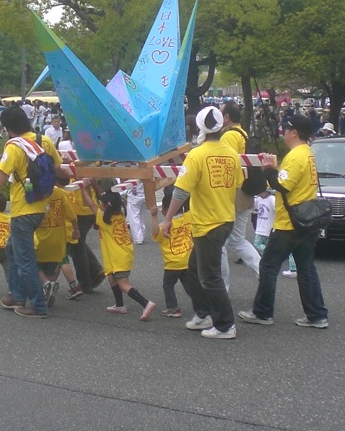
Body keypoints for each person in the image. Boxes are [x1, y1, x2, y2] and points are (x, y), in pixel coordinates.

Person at [0, 104, 63, 318]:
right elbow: (58, 168)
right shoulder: (44, 140)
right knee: (11, 248)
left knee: (25, 259)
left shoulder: (14, 147)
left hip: (23, 210)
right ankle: (17, 294)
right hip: (41, 207)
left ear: (9, 127)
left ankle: (37, 305)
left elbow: (1, 179)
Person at [238, 114, 329, 330]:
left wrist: (269, 170)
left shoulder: (296, 156)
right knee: (306, 268)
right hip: (306, 220)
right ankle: (317, 315)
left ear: (294, 133)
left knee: (268, 265)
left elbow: (282, 185)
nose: (283, 132)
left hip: (289, 223)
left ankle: (262, 312)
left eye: (286, 129)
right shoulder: (307, 154)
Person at [161, 105, 243, 340]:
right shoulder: (230, 153)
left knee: (210, 276)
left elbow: (180, 191)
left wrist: (168, 220)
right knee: (195, 268)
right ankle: (204, 313)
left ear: (200, 127)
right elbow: (237, 186)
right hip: (224, 218)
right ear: (221, 125)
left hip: (207, 223)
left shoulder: (197, 154)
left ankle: (225, 324)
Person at [81, 185, 155, 319]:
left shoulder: (105, 220)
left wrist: (83, 188)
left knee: (124, 285)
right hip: (122, 254)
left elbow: (90, 204)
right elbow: (105, 201)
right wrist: (95, 187)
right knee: (112, 279)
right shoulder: (120, 214)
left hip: (118, 257)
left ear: (105, 206)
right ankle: (119, 305)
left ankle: (146, 303)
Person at [218, 102, 260, 288]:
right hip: (246, 191)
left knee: (220, 245)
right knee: (238, 240)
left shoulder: (228, 136)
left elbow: (226, 166)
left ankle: (222, 289)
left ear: (226, 117)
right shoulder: (243, 133)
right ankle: (263, 272)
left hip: (233, 193)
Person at [149, 186, 193, 318]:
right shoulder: (187, 218)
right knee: (188, 284)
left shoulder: (164, 227)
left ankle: (173, 308)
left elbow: (156, 233)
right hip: (187, 259)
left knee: (168, 285)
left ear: (167, 210)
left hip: (172, 263)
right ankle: (201, 302)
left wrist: (154, 216)